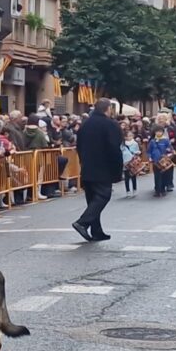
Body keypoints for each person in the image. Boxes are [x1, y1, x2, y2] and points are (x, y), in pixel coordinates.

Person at [72, 98, 122, 243]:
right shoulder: (110, 124)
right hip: (103, 167)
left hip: (87, 166)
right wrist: (117, 168)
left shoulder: (85, 124)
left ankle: (96, 231)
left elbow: (79, 145)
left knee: (92, 199)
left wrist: (83, 160)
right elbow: (114, 148)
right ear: (108, 109)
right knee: (103, 195)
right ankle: (82, 222)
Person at [147, 127, 172, 197]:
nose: (158, 133)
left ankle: (163, 189)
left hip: (163, 161)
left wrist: (168, 154)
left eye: (160, 131)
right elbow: (149, 151)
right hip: (155, 161)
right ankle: (157, 190)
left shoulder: (166, 140)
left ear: (162, 132)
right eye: (157, 131)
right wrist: (150, 157)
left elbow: (170, 149)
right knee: (156, 176)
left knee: (164, 175)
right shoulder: (152, 141)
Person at [120, 130, 140, 198]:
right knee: (126, 177)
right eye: (128, 136)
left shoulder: (135, 143)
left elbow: (137, 151)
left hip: (132, 161)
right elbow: (121, 152)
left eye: (131, 135)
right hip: (125, 162)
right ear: (125, 137)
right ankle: (128, 191)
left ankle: (134, 189)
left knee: (133, 176)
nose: (130, 137)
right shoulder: (122, 144)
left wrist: (137, 153)